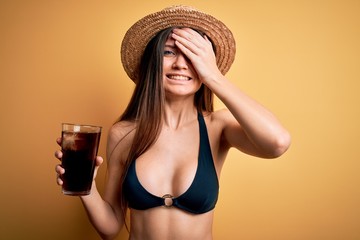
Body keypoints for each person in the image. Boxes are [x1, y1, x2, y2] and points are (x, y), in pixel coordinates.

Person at [54, 5, 291, 240]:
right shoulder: (123, 133)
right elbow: (110, 227)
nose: (180, 64)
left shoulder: (218, 127)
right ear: (152, 63)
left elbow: (277, 143)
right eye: (168, 52)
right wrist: (85, 186)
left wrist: (213, 76)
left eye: (192, 56)